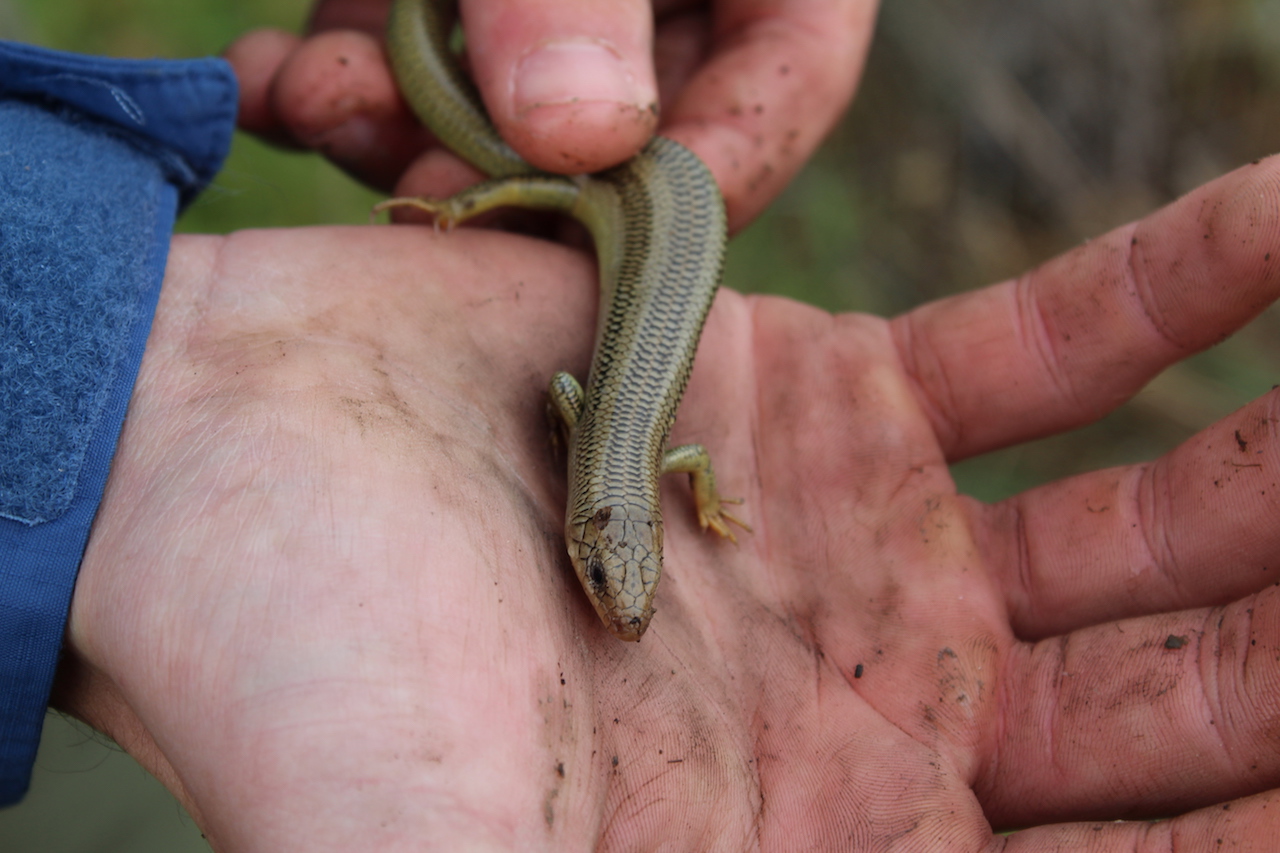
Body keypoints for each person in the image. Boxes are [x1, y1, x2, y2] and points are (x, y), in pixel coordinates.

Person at [4, 1, 1279, 849]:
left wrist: (145, 396)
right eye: (621, 579)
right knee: (551, 137)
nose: (622, 604)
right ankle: (453, 78)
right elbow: (586, 414)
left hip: (661, 210)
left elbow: (613, 425)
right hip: (642, 200)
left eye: (627, 582)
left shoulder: (618, 474)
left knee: (562, 155)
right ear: (594, 529)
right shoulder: (602, 473)